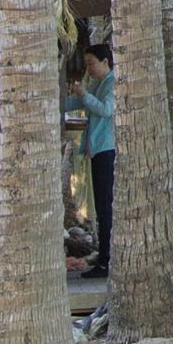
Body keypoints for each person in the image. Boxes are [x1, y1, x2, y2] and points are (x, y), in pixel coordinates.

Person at [76, 44, 116, 276]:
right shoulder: (97, 84)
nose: (89, 68)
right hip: (97, 151)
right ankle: (103, 256)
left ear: (105, 62)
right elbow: (78, 102)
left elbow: (106, 109)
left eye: (92, 63)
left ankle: (106, 260)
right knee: (102, 207)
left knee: (106, 206)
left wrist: (84, 95)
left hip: (107, 150)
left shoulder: (111, 84)